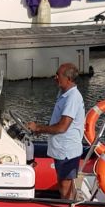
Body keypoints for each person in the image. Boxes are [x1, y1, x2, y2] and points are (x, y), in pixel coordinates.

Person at [26, 63, 85, 200]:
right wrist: (40, 131)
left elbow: (62, 127)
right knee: (62, 183)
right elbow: (57, 122)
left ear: (68, 78)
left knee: (65, 186)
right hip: (61, 150)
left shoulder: (72, 98)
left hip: (66, 151)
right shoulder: (64, 94)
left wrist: (39, 128)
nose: (55, 77)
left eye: (58, 75)